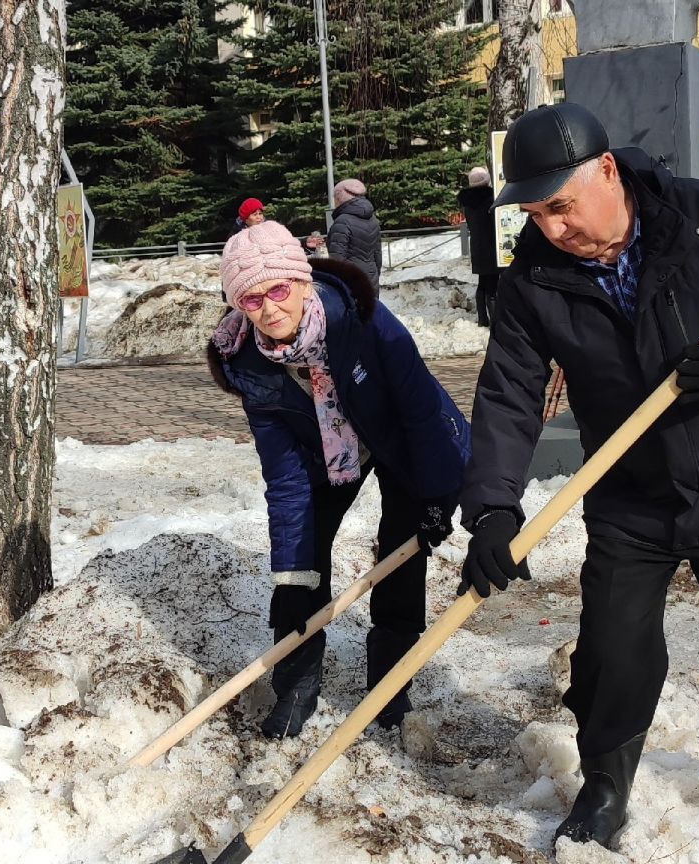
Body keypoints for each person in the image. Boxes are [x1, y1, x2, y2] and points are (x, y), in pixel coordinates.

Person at [459, 103, 699, 862]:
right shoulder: (535, 278)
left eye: (560, 207)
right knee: (611, 646)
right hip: (631, 493)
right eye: (534, 214)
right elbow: (508, 394)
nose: (550, 229)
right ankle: (605, 787)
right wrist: (493, 510)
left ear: (606, 170)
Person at [205, 220, 470, 738]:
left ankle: (389, 687)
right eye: (252, 300)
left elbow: (419, 412)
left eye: (279, 289)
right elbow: (285, 480)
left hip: (404, 439)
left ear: (303, 281)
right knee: (301, 566)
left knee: (403, 550)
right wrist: (291, 571)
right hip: (329, 451)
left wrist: (436, 496)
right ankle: (297, 684)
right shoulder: (251, 366)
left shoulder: (364, 321)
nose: (270, 308)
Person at [308, 178, 382, 285]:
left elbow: (337, 259)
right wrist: (376, 275)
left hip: (350, 279)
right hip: (371, 277)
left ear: (340, 198)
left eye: (335, 198)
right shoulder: (372, 219)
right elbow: (377, 253)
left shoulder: (342, 222)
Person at [459, 166, 500, 327]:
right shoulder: (491, 199)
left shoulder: (467, 203)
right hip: (492, 246)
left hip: (477, 246)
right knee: (492, 286)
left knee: (482, 283)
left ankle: (482, 318)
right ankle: (495, 321)